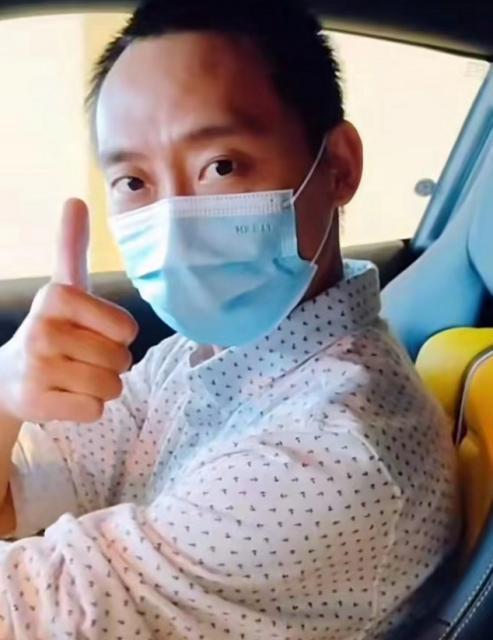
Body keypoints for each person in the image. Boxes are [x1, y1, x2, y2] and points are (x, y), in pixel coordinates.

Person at [0, 0, 460, 637]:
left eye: (221, 166)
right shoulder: (196, 356)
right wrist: (6, 394)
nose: (172, 223)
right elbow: (15, 496)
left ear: (338, 167)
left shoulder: (328, 457)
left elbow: (23, 612)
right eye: (133, 181)